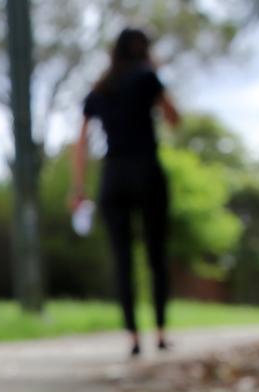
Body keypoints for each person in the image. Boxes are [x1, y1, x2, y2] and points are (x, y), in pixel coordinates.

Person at [71, 27, 180, 356]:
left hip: (113, 175)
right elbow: (175, 118)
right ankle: (160, 333)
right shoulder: (148, 78)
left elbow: (81, 142)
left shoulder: (101, 88)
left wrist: (78, 188)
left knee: (123, 259)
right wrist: (156, 76)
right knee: (155, 254)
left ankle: (133, 337)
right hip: (146, 169)